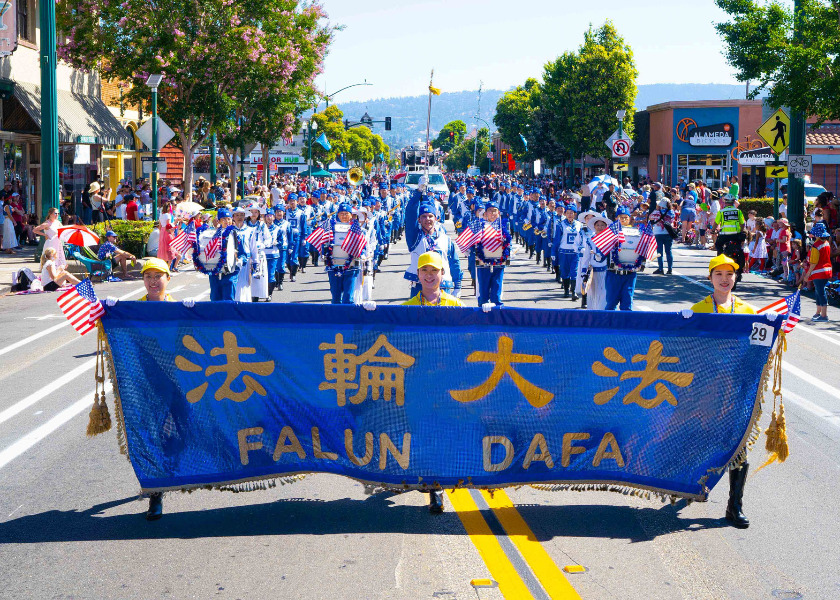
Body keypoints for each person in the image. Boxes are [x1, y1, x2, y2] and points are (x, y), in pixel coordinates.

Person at [104, 258, 195, 520]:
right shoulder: (134, 309)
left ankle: (167, 471)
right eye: (148, 277)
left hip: (176, 383)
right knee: (154, 435)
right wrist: (110, 311)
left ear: (169, 278)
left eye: (159, 276)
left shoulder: (179, 308)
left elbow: (190, 342)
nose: (153, 282)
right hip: (147, 385)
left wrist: (190, 315)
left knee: (183, 432)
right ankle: (156, 493)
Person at [688, 254, 756, 528]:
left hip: (736, 389)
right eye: (719, 275)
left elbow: (757, 349)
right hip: (707, 388)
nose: (725, 280)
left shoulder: (749, 311)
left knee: (738, 445)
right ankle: (694, 486)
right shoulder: (698, 309)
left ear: (736, 278)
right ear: (710, 278)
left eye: (730, 275)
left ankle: (734, 505)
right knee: (701, 439)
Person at [404, 200, 462, 299]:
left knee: (443, 314)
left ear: (435, 218)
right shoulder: (414, 238)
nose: (427, 219)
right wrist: (418, 193)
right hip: (420, 286)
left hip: (443, 285)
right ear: (418, 220)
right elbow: (410, 215)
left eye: (430, 216)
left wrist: (458, 286)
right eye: (424, 216)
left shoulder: (445, 239)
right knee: (418, 314)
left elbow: (454, 262)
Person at [604, 207, 647, 311]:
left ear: (629, 219)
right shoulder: (610, 231)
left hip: (629, 274)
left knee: (627, 304)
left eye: (625, 217)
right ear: (616, 218)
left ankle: (625, 326)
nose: (623, 220)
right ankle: (609, 326)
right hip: (614, 273)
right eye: (620, 217)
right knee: (611, 303)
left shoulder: (637, 232)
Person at [474, 200, 511, 307]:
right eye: (490, 211)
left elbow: (508, 243)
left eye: (495, 211)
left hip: (499, 262)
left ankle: (498, 315)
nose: (492, 213)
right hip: (482, 262)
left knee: (496, 291)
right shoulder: (479, 225)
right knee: (483, 291)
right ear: (485, 213)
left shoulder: (503, 225)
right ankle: (482, 315)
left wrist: (507, 259)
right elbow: (474, 242)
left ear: (498, 213)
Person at [804, 222, 833, 322]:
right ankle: (818, 312)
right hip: (827, 270)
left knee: (820, 292)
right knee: (818, 291)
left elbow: (813, 262)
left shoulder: (816, 246)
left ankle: (824, 315)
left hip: (819, 272)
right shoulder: (826, 243)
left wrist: (807, 274)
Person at [553, 204, 582, 300]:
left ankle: (573, 292)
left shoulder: (579, 224)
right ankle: (566, 290)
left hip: (575, 253)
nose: (570, 215)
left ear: (575, 214)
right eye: (568, 213)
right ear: (565, 214)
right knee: (565, 272)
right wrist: (553, 252)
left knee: (574, 272)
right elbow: (557, 240)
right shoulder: (561, 224)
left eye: (572, 213)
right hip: (563, 252)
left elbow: (582, 238)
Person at [649, 199, 675, 275]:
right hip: (668, 233)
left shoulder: (657, 212)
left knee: (659, 252)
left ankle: (661, 269)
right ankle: (670, 269)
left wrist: (657, 209)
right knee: (669, 251)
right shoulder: (671, 212)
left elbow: (650, 217)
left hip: (658, 233)